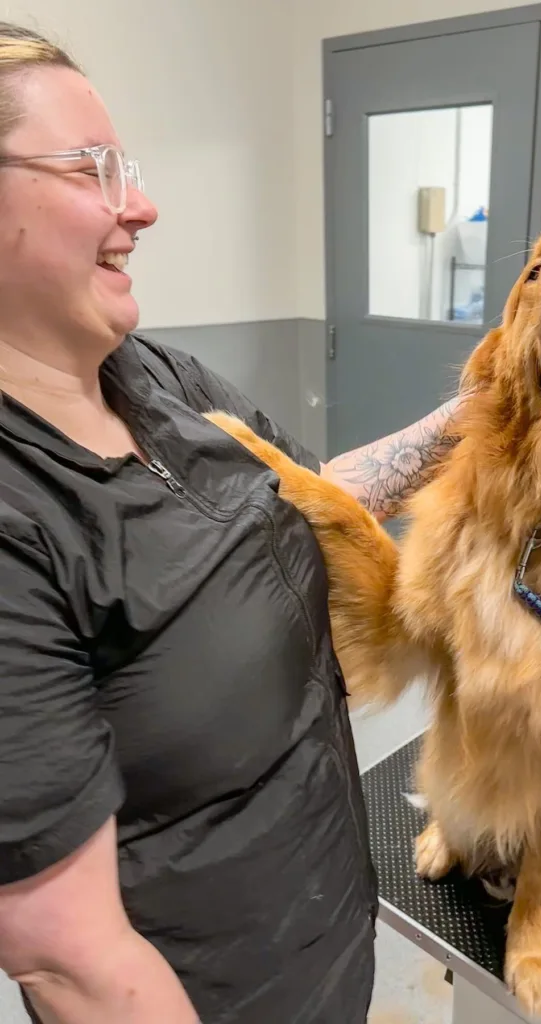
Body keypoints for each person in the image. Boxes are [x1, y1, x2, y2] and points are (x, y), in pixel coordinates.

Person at [0, 23, 462, 1024]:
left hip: (329, 930)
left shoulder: (156, 378)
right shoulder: (17, 519)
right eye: (93, 168)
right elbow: (71, 960)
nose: (142, 206)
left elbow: (310, 500)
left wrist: (483, 411)